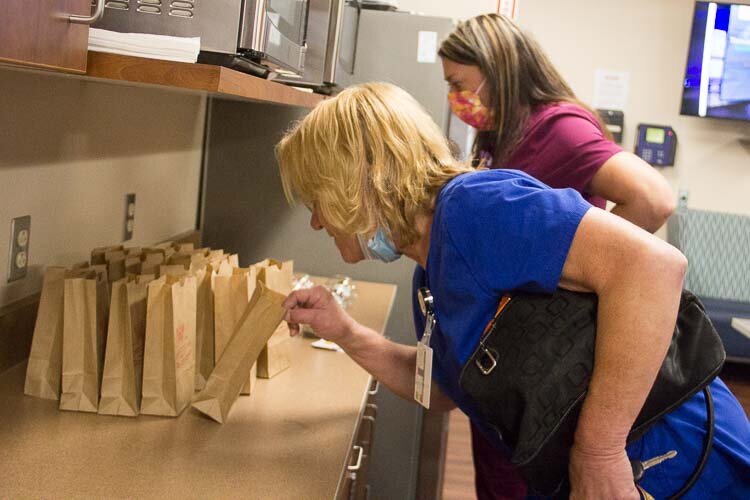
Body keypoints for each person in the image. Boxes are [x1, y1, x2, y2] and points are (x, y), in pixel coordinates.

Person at [276, 82, 750, 499]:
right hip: (586, 467)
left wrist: (598, 453)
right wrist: (343, 330)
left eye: (317, 199)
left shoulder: (474, 209)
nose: (317, 220)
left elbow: (654, 268)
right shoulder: (429, 276)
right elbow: (441, 389)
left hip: (670, 450)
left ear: (355, 182)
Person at [438, 13, 677, 497]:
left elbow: (652, 198)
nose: (455, 98)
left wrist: (579, 292)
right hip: (506, 370)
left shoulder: (558, 130)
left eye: (458, 83)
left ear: (496, 69)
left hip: (543, 369)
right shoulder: (499, 137)